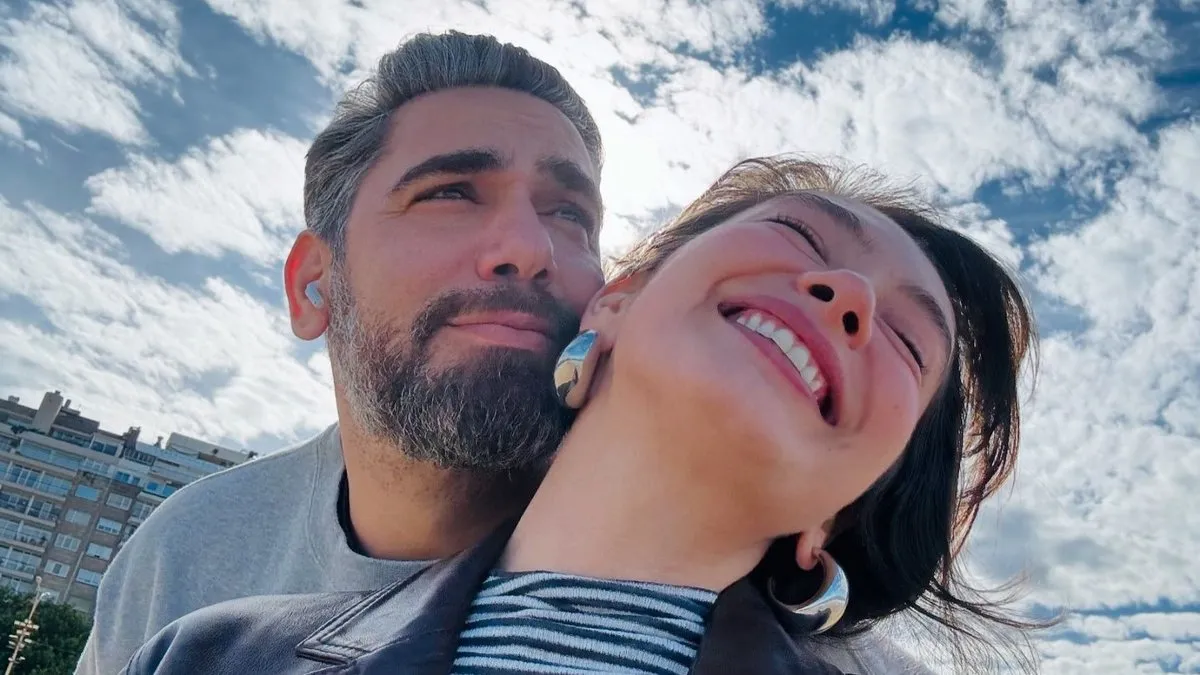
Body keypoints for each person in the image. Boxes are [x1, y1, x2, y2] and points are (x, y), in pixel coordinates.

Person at [80, 32, 940, 675]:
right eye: (451, 192)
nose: (527, 247)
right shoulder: (189, 564)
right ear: (313, 286)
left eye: (571, 214)